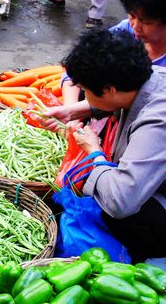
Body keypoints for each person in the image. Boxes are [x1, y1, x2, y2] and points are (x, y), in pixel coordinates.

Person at [56, 29, 166, 262]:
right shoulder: (150, 76)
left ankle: (147, 255)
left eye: (85, 89)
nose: (83, 93)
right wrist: (72, 110)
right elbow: (117, 102)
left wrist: (95, 153)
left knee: (113, 208)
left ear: (109, 89)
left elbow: (121, 201)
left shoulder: (158, 120)